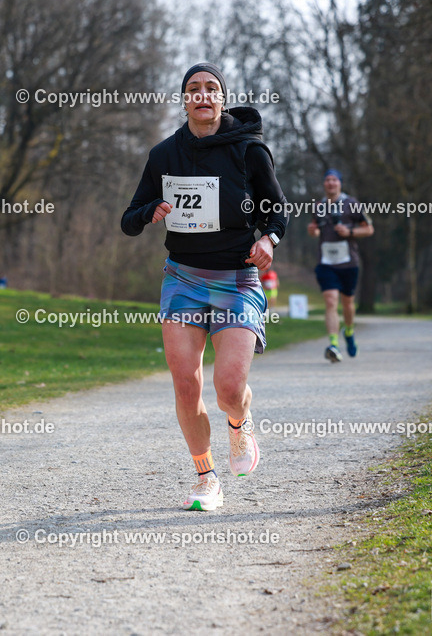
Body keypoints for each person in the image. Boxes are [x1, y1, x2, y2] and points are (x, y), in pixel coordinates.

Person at [121, 63, 289, 511]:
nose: (202, 95)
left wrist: (268, 240)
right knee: (186, 386)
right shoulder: (164, 155)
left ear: (222, 98)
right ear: (184, 100)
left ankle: (240, 421)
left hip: (236, 280)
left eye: (211, 89)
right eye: (193, 89)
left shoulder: (250, 151)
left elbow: (277, 213)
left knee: (229, 388)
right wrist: (150, 210)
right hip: (183, 278)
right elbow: (129, 220)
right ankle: (205, 477)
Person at [306, 169, 373, 362]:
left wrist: (349, 231)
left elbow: (369, 229)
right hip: (326, 262)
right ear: (324, 184)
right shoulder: (318, 206)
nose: (330, 183)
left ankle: (349, 332)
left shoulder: (352, 204)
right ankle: (333, 344)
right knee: (330, 300)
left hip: (348, 262)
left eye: (334, 180)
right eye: (327, 180)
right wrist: (313, 231)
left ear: (340, 183)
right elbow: (316, 232)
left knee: (347, 304)